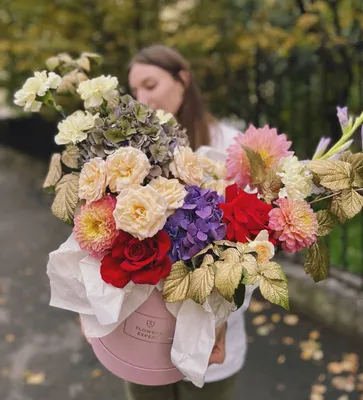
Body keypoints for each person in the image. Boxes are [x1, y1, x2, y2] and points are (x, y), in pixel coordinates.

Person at [126, 44, 251, 400]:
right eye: (135, 90)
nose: (142, 98)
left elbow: (257, 246)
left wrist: (223, 309)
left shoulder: (232, 145)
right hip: (141, 326)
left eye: (150, 85)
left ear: (183, 79)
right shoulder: (132, 153)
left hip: (212, 329)